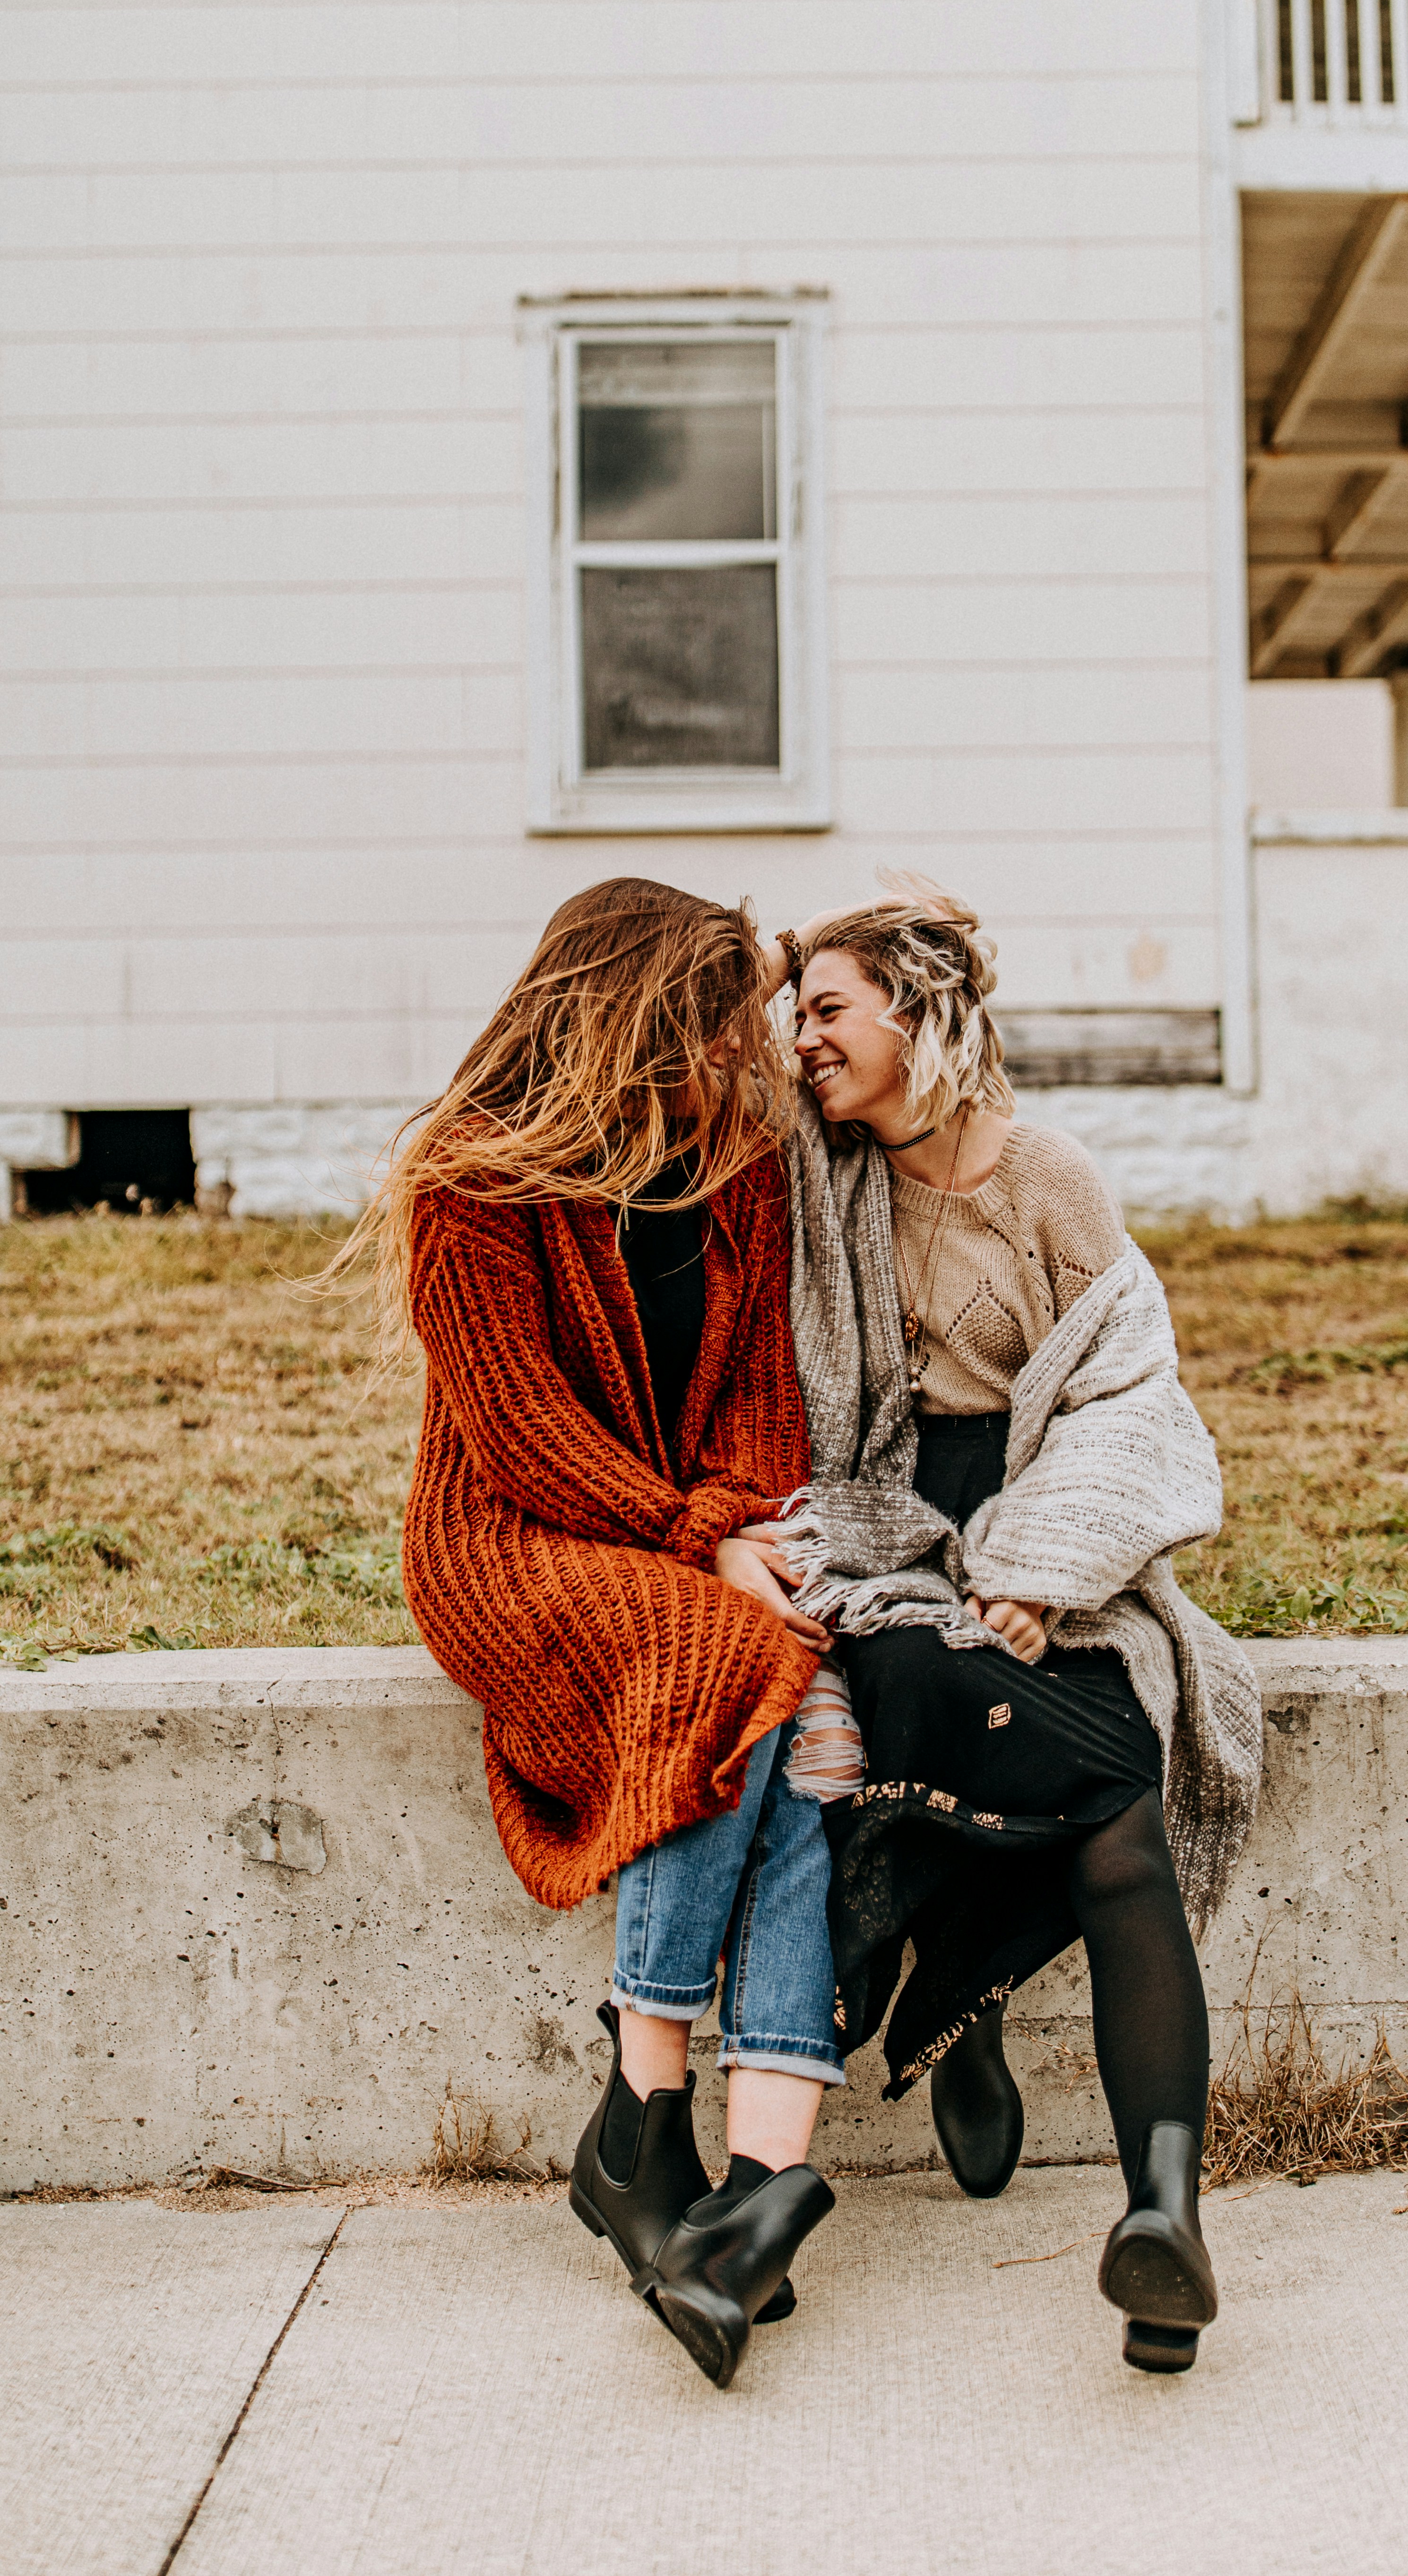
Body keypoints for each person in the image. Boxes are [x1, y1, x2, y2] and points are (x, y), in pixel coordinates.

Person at [336, 876, 858, 2390]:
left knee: (787, 1722)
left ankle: (747, 2190)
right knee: (726, 1663)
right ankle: (642, 2111)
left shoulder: (738, 1162)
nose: (747, 1060)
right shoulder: (471, 1179)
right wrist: (710, 1543)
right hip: (511, 1537)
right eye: (720, 1031)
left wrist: (748, 1527)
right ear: (636, 1022)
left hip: (690, 1539)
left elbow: (765, 1394)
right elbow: (520, 1429)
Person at [773, 887, 1263, 2374]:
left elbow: (1129, 1393)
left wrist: (1042, 1567)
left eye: (832, 1009)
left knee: (1121, 1819)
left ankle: (1163, 2220)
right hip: (892, 1536)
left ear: (919, 1015)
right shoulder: (829, 1173)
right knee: (922, 1676)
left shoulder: (1051, 1182)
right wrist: (948, 1569)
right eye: (795, 1013)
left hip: (1057, 1533)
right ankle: (962, 2007)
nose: (804, 1040)